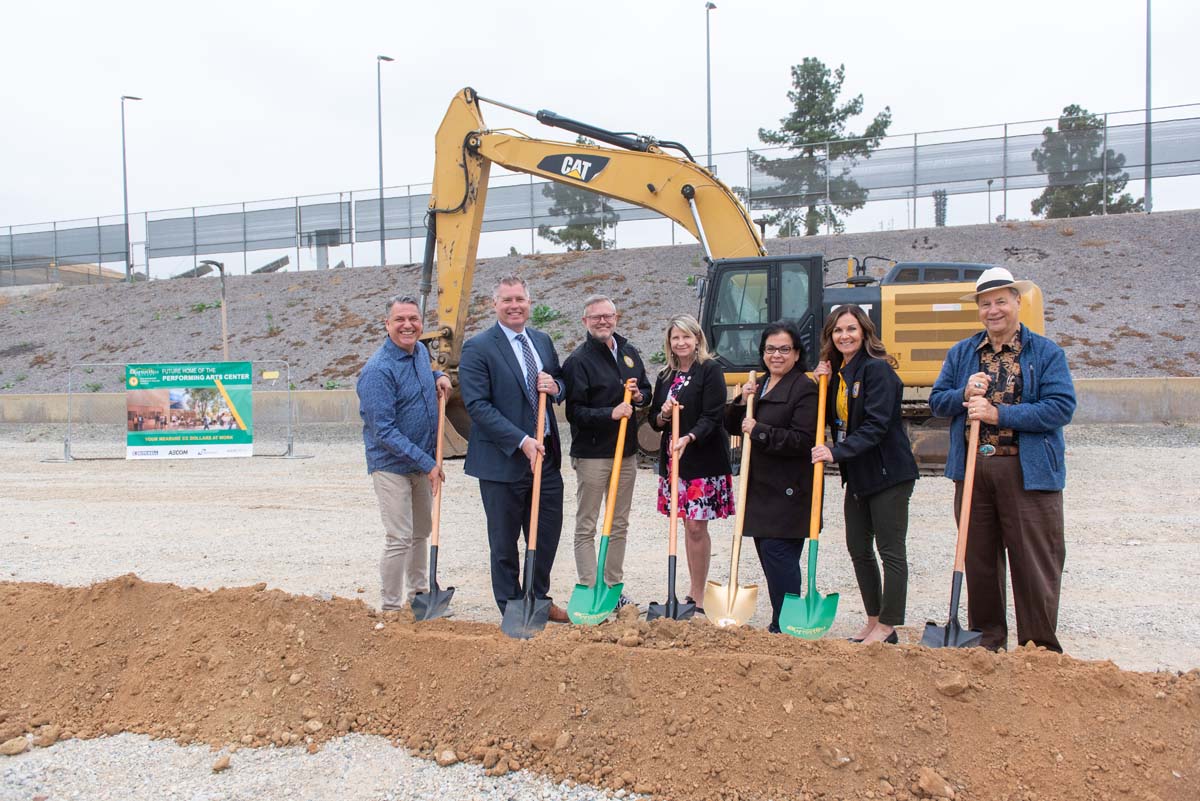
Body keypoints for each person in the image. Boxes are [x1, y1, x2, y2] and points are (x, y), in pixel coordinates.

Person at [930, 267, 1076, 652]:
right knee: (978, 560)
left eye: (1000, 302)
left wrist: (999, 414)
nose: (993, 310)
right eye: (985, 304)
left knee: (1033, 562)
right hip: (973, 470)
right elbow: (937, 401)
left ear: (1017, 302)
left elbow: (1060, 407)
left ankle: (1037, 648)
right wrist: (963, 394)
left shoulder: (1046, 353)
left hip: (1026, 470)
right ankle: (986, 642)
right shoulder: (962, 353)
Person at [459, 275, 569, 623]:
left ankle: (538, 598)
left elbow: (560, 381)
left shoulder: (541, 340)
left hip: (545, 459)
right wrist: (521, 441)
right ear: (494, 304)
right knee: (504, 542)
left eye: (520, 299)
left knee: (546, 534)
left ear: (529, 302)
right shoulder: (478, 347)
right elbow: (477, 405)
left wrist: (556, 387)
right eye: (506, 300)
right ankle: (511, 607)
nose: (514, 306)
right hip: (503, 460)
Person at [812, 304, 919, 644]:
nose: (844, 336)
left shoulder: (877, 370)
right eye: (838, 330)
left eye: (851, 329)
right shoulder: (839, 374)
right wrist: (820, 382)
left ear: (864, 332)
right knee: (858, 547)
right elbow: (833, 415)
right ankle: (873, 619)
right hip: (858, 475)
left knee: (890, 549)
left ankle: (888, 625)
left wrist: (835, 451)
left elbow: (876, 424)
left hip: (888, 473)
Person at [356, 294, 452, 611]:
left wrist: (438, 376)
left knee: (420, 532)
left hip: (421, 464)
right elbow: (383, 431)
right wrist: (429, 463)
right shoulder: (378, 371)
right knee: (399, 537)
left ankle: (420, 596)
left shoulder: (420, 352)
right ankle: (391, 608)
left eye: (413, 319)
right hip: (391, 466)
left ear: (421, 323)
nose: (407, 325)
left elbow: (423, 376)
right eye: (400, 319)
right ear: (387, 324)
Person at [725, 321, 818, 633]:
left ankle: (787, 623)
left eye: (784, 349)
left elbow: (802, 440)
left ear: (796, 353)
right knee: (768, 555)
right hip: (761, 488)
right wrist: (741, 401)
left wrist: (760, 431)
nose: (776, 355)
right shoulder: (761, 384)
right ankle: (782, 619)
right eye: (770, 349)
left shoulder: (804, 388)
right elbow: (732, 427)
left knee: (779, 556)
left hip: (789, 490)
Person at [562, 295, 652, 609]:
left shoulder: (628, 352)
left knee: (618, 524)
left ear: (616, 318)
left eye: (608, 316)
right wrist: (610, 414)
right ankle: (590, 588)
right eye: (596, 317)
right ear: (585, 321)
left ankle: (613, 589)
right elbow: (574, 412)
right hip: (593, 455)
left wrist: (639, 397)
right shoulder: (578, 361)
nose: (603, 321)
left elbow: (646, 390)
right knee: (587, 524)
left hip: (625, 454)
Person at [648, 314, 733, 612]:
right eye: (676, 337)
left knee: (696, 526)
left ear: (697, 339)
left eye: (686, 336)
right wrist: (665, 414)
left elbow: (713, 416)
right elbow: (654, 420)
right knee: (686, 524)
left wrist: (689, 437)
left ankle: (697, 594)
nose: (681, 342)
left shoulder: (710, 370)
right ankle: (692, 591)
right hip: (675, 460)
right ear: (669, 342)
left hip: (702, 458)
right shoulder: (665, 376)